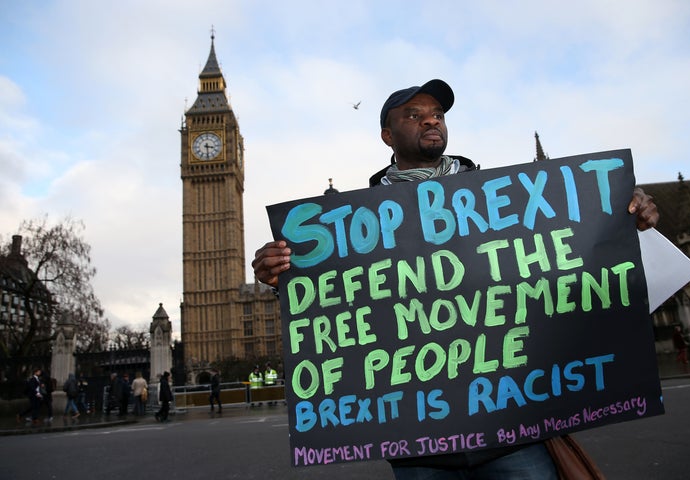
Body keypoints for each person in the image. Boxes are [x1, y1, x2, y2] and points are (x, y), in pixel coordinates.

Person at [252, 79, 660, 480]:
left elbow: (572, 254)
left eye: (437, 114)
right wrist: (280, 274)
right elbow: (338, 305)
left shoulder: (505, 202)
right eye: (414, 116)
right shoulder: (353, 227)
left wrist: (626, 214)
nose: (431, 122)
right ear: (387, 136)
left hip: (513, 435)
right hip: (418, 447)